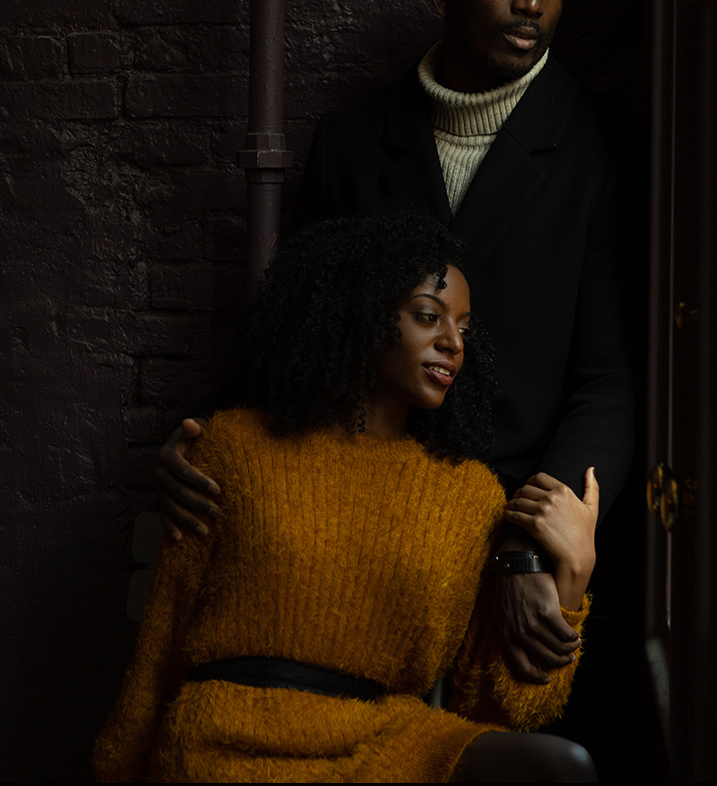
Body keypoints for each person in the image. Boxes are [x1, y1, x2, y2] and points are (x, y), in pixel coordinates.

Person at [156, 0, 633, 685]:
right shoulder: (351, 142)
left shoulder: (600, 149)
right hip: (357, 517)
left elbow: (608, 384)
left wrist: (529, 546)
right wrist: (202, 443)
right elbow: (299, 337)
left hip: (506, 521)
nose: (531, 2)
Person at [96, 215, 599, 782]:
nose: (454, 343)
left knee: (562, 768)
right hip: (231, 737)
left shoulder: (469, 494)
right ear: (361, 314)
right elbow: (162, 637)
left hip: (388, 741)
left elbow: (499, 706)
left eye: (463, 326)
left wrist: (573, 574)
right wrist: (119, 765)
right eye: (428, 317)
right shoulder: (234, 449)